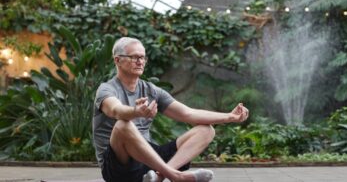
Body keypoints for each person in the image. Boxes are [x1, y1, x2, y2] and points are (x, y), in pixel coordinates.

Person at [93, 37, 249, 182]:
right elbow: (115, 110)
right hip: (118, 166)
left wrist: (229, 117)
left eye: (142, 57)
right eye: (134, 57)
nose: (140, 62)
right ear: (118, 60)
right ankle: (176, 176)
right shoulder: (106, 89)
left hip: (147, 161)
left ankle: (159, 176)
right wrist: (135, 111)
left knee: (206, 130)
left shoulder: (151, 90)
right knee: (123, 125)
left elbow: (188, 114)